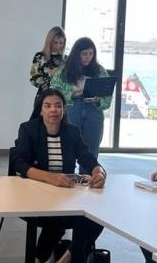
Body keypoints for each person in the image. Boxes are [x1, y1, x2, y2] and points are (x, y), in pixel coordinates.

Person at [13, 88, 106, 263]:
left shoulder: (72, 132)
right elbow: (20, 163)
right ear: (41, 110)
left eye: (58, 106)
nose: (53, 110)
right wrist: (50, 178)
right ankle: (40, 258)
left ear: (64, 109)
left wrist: (99, 172)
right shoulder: (28, 129)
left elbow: (88, 159)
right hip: (35, 194)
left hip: (65, 194)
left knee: (97, 216)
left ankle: (66, 258)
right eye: (47, 106)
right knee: (57, 216)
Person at [50, 37, 109, 171]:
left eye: (91, 54)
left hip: (93, 110)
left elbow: (107, 96)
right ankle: (67, 176)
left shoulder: (100, 71)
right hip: (72, 108)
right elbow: (54, 92)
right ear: (77, 54)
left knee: (91, 150)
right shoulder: (64, 71)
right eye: (84, 54)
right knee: (68, 146)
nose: (88, 57)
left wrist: (97, 99)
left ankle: (88, 178)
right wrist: (72, 94)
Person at [29, 26, 66, 118]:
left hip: (61, 99)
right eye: (55, 42)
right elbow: (34, 79)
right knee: (40, 124)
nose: (58, 46)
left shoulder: (66, 60)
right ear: (49, 42)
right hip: (43, 98)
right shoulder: (40, 57)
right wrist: (51, 77)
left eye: (61, 43)